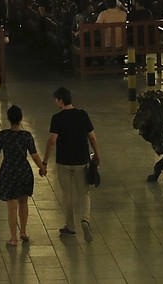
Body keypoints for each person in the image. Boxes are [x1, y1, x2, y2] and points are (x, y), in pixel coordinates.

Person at [42, 86, 101, 241]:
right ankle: (85, 220)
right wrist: (97, 155)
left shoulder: (57, 118)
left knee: (67, 195)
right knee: (84, 193)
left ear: (61, 101)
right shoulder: (82, 115)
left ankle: (70, 226)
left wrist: (45, 161)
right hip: (81, 160)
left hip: (64, 162)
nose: (55, 103)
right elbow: (92, 137)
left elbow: (52, 140)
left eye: (56, 100)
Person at [0, 105, 46, 248]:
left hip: (9, 172)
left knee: (12, 207)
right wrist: (42, 168)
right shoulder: (26, 136)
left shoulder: (3, 135)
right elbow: (34, 155)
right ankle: (23, 232)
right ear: (21, 118)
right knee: (23, 202)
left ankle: (13, 239)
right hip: (24, 172)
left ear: (9, 119)